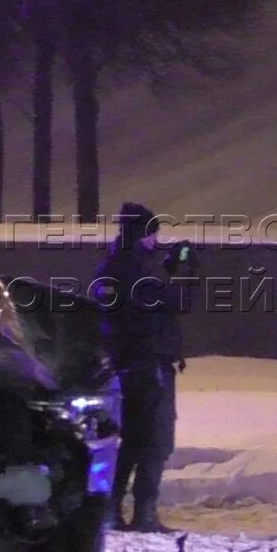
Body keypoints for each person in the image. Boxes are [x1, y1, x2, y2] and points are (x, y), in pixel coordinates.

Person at [95, 201, 185, 533]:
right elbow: (171, 306)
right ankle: (144, 513)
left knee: (130, 440)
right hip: (150, 366)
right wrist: (178, 275)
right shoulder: (140, 271)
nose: (155, 241)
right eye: (152, 234)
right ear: (142, 234)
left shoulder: (113, 266)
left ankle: (112, 509)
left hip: (126, 367)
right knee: (155, 440)